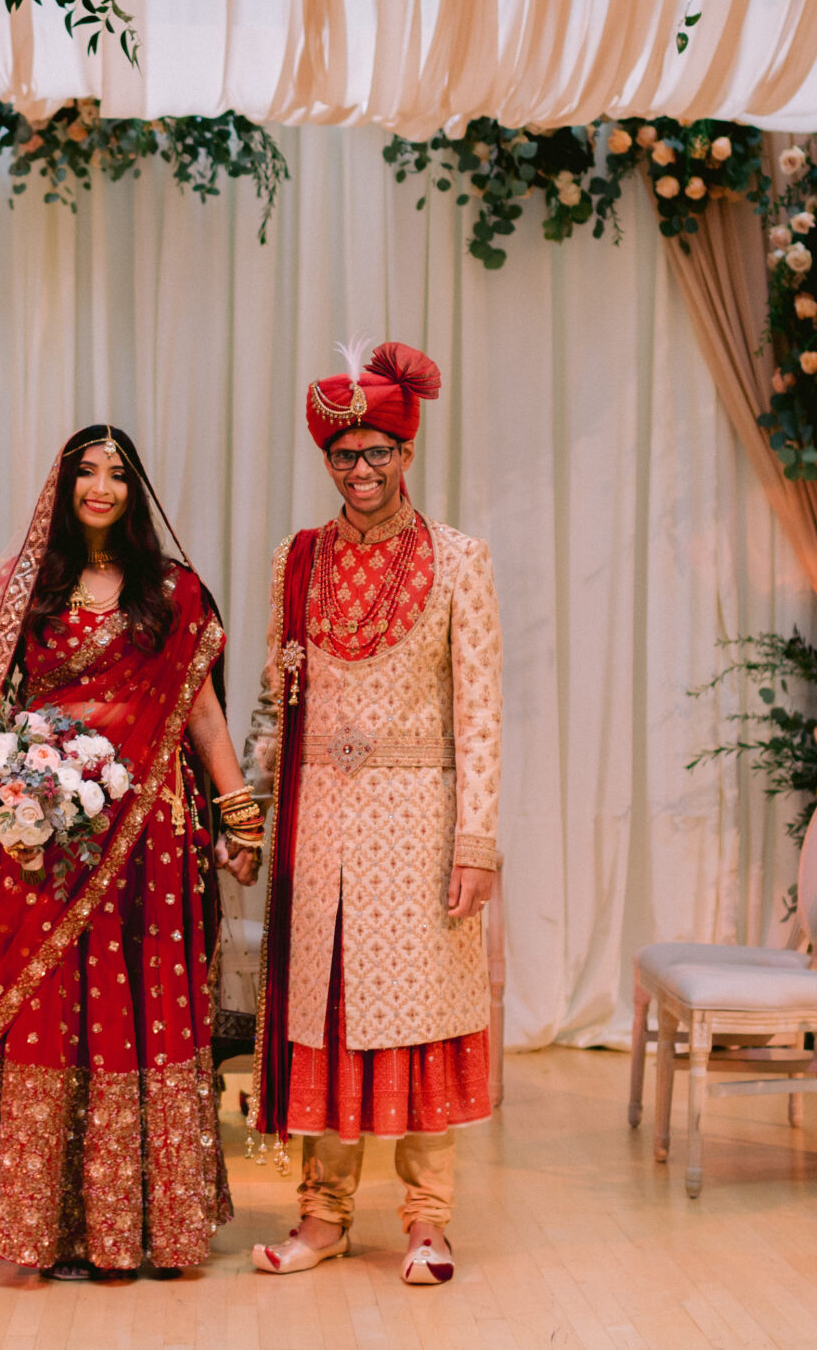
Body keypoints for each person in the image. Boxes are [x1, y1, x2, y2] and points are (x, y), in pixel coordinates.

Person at [0, 425, 264, 1280]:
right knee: (50, 1017)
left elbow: (202, 712)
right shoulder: (23, 589)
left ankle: (147, 1223)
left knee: (145, 1017)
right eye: (85, 472)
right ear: (61, 488)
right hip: (49, 843)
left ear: (137, 491)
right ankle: (50, 1226)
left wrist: (238, 811)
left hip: (153, 842)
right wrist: (4, 790)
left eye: (118, 473)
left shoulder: (173, 590)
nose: (101, 486)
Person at [245, 341, 502, 1286]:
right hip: (317, 824)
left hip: (420, 819)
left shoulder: (460, 560)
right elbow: (282, 702)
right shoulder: (297, 559)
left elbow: (479, 711)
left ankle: (428, 1224)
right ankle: (323, 1219)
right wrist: (257, 817)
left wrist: (477, 841)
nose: (362, 470)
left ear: (407, 450)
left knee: (417, 1020)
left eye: (378, 451)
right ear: (326, 461)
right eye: (344, 455)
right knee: (323, 1017)